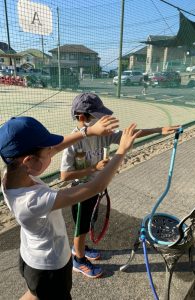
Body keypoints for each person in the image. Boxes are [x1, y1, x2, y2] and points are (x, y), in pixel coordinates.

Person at [0, 115, 140, 300]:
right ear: (29, 161)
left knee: (34, 293)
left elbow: (58, 146)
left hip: (30, 257)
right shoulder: (33, 201)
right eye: (48, 151)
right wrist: (121, 151)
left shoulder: (11, 174)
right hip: (50, 268)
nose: (53, 151)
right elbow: (94, 187)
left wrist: (88, 131)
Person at [60, 92, 180, 278]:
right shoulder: (73, 142)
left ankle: (80, 248)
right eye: (99, 119)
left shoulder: (102, 136)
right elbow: (65, 175)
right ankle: (78, 260)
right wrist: (93, 169)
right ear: (82, 117)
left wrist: (159, 129)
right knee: (81, 227)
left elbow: (129, 134)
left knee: (89, 223)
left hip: (97, 189)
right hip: (80, 192)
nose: (104, 124)